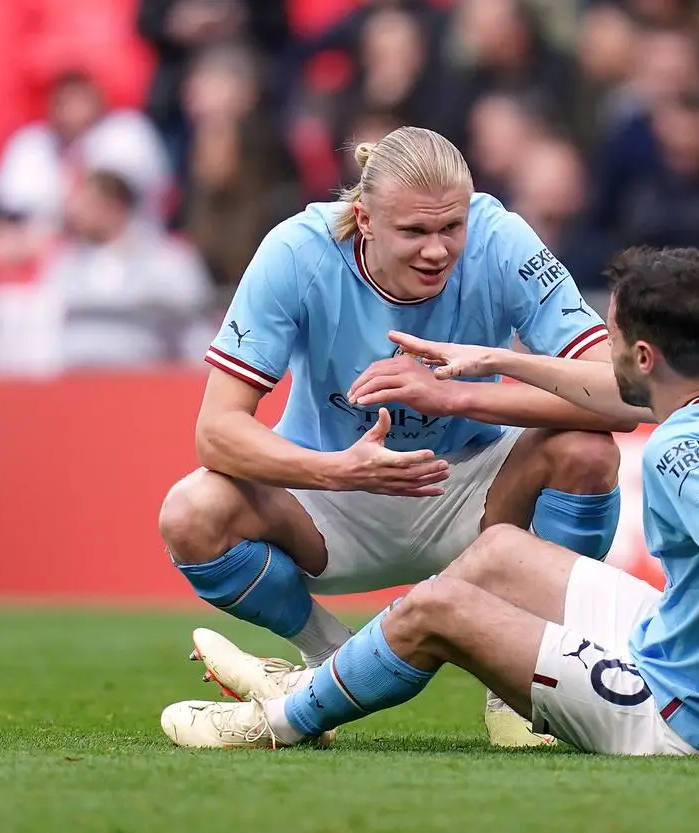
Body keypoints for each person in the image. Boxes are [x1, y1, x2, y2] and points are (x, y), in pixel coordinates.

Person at [161, 246, 699, 761]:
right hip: (698, 650)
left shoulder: (677, 447)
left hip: (683, 709)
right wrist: (493, 362)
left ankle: (278, 719)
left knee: (434, 608)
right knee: (499, 554)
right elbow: (612, 390)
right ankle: (325, 678)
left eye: (614, 339)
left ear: (646, 355)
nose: (606, 353)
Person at [158, 126, 633, 748]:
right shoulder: (296, 251)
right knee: (191, 512)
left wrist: (454, 394)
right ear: (364, 219)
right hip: (331, 494)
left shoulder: (501, 237)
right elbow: (217, 433)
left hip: (475, 490)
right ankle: (327, 658)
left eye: (451, 228)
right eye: (414, 232)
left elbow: (622, 396)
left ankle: (522, 687)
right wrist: (340, 470)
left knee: (587, 451)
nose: (438, 251)